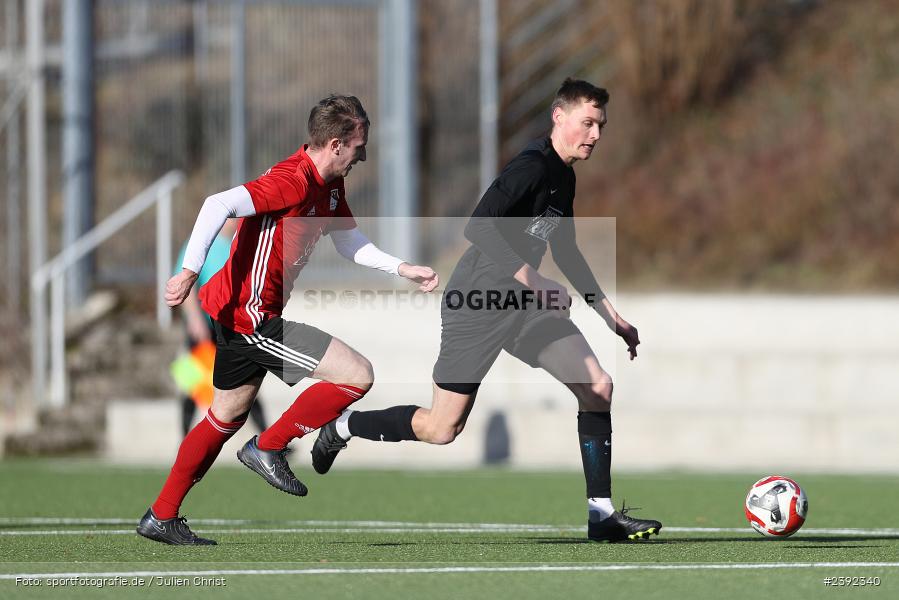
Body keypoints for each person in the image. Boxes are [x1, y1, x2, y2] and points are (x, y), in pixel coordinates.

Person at [310, 79, 663, 543]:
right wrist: (535, 280)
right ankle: (344, 425)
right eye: (588, 122)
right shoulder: (531, 168)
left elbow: (569, 253)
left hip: (523, 307)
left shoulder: (564, 177)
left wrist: (610, 316)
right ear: (559, 117)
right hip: (476, 303)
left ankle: (601, 516)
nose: (595, 134)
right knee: (441, 428)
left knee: (597, 386)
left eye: (601, 125)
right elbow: (479, 227)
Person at [137, 94, 439, 545]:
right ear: (335, 144)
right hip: (250, 318)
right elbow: (216, 204)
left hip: (240, 312)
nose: (363, 155)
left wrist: (401, 268)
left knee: (225, 415)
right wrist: (188, 271)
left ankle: (161, 516)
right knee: (356, 375)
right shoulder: (292, 181)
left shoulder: (330, 185)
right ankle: (269, 446)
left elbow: (348, 241)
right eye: (359, 147)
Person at [173, 219, 269, 437]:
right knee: (193, 385)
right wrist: (195, 321)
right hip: (203, 330)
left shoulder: (244, 245)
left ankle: (267, 439)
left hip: (232, 330)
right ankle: (184, 438)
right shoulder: (200, 243)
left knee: (246, 383)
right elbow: (184, 281)